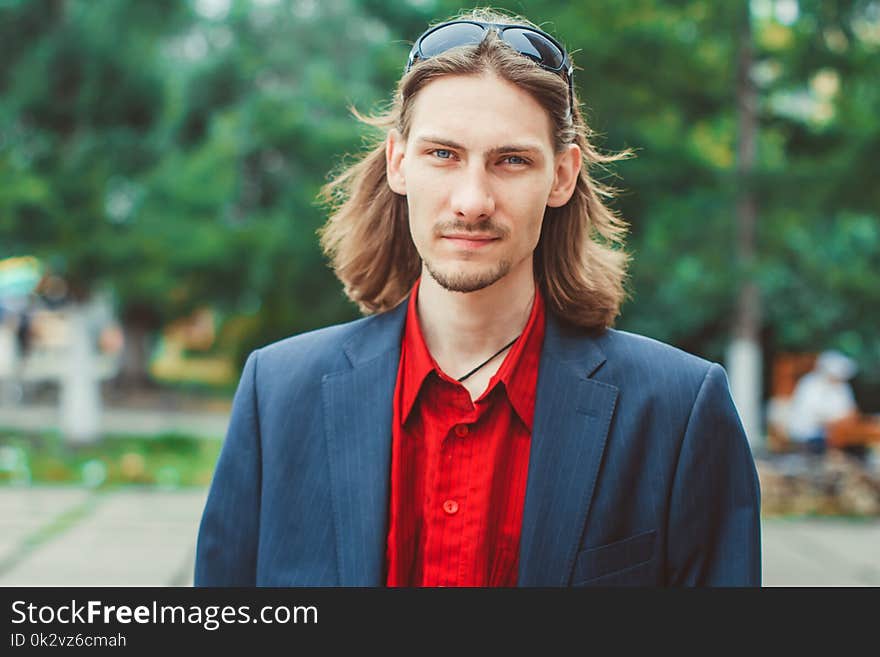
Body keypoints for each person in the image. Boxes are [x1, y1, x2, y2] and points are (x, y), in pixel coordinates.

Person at [195, 8, 761, 587]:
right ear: (399, 162)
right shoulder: (277, 394)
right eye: (443, 154)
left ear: (562, 176)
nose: (472, 200)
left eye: (511, 160)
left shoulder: (678, 411)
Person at [786, 350, 860, 457]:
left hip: (834, 436)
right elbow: (816, 415)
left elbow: (851, 410)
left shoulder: (842, 386)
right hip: (809, 437)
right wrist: (840, 420)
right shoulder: (810, 385)